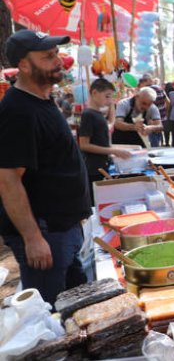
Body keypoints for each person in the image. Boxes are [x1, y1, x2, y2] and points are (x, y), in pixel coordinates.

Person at [0, 30, 91, 304]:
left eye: (57, 54)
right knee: (49, 315)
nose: (58, 61)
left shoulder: (42, 100)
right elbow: (8, 180)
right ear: (25, 65)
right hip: (46, 236)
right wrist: (33, 238)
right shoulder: (17, 111)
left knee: (75, 305)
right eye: (48, 56)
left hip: (64, 229)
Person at [79, 79, 132, 191]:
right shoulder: (88, 114)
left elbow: (110, 124)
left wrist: (112, 105)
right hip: (93, 168)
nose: (109, 100)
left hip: (102, 165)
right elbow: (84, 145)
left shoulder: (98, 114)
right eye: (107, 96)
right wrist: (113, 151)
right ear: (94, 93)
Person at [138, 74, 169, 147]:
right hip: (162, 119)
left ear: (145, 81)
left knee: (152, 143)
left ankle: (153, 155)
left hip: (151, 121)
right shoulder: (159, 88)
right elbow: (168, 102)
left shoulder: (145, 92)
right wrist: (165, 113)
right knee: (157, 138)